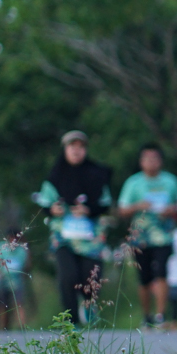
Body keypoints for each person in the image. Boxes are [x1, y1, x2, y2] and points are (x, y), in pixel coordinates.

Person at [34, 131, 114, 327]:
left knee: (90, 278)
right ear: (65, 149)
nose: (76, 151)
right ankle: (71, 322)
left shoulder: (97, 175)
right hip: (64, 238)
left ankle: (88, 308)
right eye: (72, 146)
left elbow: (105, 204)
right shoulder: (55, 177)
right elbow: (44, 204)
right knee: (68, 277)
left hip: (91, 239)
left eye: (81, 147)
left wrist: (89, 210)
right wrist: (53, 210)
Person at [118, 143, 177, 331]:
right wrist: (138, 206)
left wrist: (171, 210)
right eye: (147, 159)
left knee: (162, 272)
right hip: (140, 238)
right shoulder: (133, 183)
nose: (151, 162)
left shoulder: (171, 181)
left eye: (155, 158)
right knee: (144, 277)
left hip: (164, 236)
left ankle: (160, 315)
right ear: (141, 162)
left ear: (161, 161)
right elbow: (122, 210)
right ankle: (146, 316)